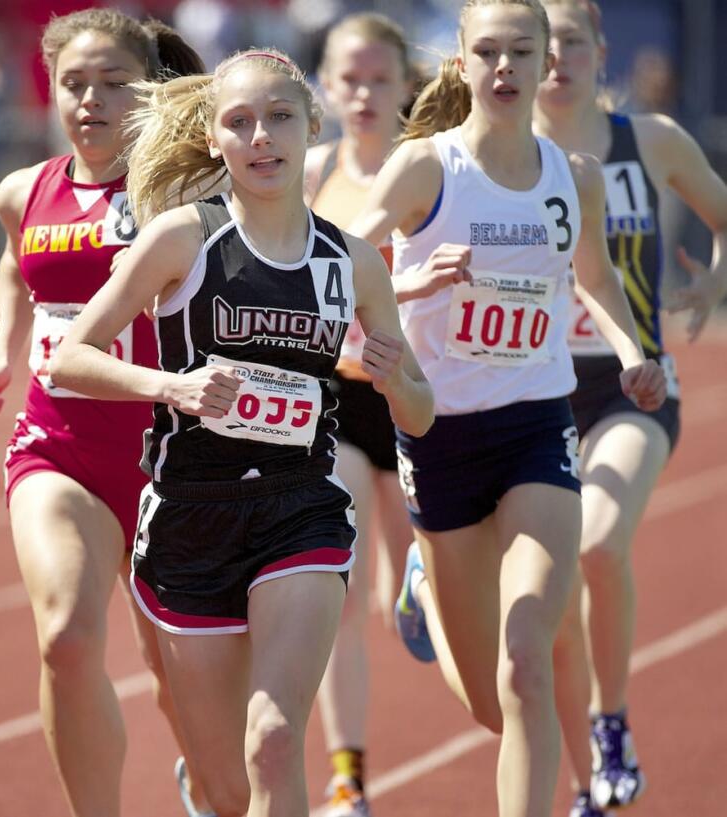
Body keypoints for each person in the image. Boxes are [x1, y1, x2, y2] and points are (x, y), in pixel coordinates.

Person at [51, 48, 434, 817]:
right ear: (216, 138)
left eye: (280, 117)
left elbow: (421, 415)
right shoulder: (182, 239)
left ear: (310, 125)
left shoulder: (354, 263)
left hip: (303, 510)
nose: (262, 137)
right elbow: (70, 357)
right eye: (240, 122)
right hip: (190, 515)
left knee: (273, 739)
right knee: (228, 784)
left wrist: (397, 377)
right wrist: (171, 385)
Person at [346, 2, 667, 816]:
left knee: (527, 664)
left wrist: (635, 354)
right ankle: (423, 579)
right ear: (459, 65)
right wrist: (410, 281)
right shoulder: (426, 167)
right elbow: (338, 258)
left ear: (542, 60)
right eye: (485, 51)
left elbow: (592, 281)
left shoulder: (575, 177)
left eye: (521, 50)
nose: (504, 66)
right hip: (439, 433)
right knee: (491, 706)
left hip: (535, 424)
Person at [0, 10, 212, 817]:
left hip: (177, 459)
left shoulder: (189, 186)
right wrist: (5, 349)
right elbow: (14, 262)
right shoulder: (22, 189)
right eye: (74, 84)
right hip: (59, 449)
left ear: (153, 92)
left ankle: (209, 784)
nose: (91, 101)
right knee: (66, 636)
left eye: (113, 84)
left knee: (181, 683)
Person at [534, 1, 727, 811]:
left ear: (599, 50)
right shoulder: (498, 159)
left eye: (570, 41)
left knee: (601, 545)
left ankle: (610, 719)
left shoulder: (648, 141)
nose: (553, 58)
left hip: (631, 382)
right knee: (539, 599)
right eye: (535, 44)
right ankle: (582, 764)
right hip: (527, 392)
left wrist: (712, 279)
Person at [301, 14, 418, 815]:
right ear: (326, 85)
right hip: (339, 401)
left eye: (381, 78)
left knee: (411, 604)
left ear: (406, 85)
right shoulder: (308, 173)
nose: (365, 93)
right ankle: (349, 778)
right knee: (336, 594)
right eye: (350, 77)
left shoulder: (435, 168)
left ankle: (416, 584)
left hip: (419, 401)